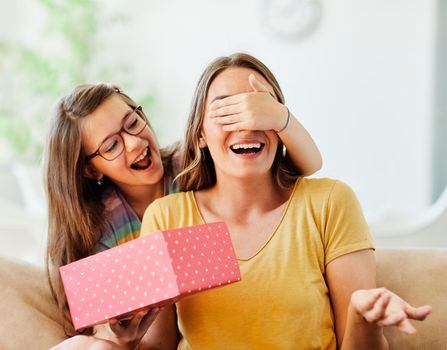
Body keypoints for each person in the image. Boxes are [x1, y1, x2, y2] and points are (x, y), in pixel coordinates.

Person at [140, 53, 432, 349]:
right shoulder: (167, 217)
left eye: (260, 107)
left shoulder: (329, 203)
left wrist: (362, 318)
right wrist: (122, 338)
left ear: (281, 127)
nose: (247, 123)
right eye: (226, 111)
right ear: (200, 134)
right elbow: (157, 345)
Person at [46, 76, 322, 349]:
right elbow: (110, 328)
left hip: (223, 307)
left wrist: (280, 118)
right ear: (91, 169)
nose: (133, 143)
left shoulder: (191, 164)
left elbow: (305, 167)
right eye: (112, 146)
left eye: (132, 123)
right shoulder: (101, 229)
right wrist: (122, 337)